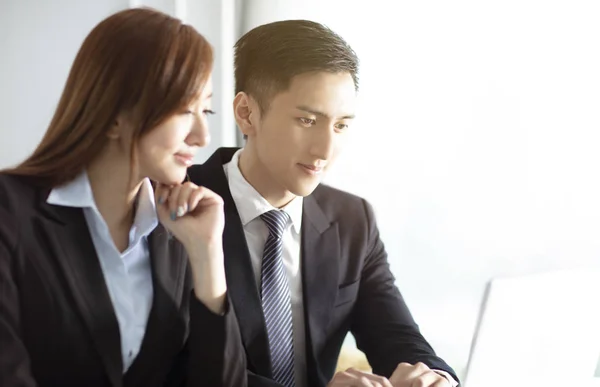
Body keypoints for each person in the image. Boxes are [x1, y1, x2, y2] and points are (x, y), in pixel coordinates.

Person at [187, 20, 459, 387]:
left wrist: (435, 377)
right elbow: (178, 365)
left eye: (341, 126)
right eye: (307, 120)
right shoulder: (178, 207)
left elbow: (397, 335)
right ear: (246, 113)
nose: (325, 151)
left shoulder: (352, 220)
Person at [0, 8, 244, 386]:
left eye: (206, 109)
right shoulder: (10, 213)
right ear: (115, 114)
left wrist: (208, 259)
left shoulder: (178, 230)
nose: (202, 136)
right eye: (184, 109)